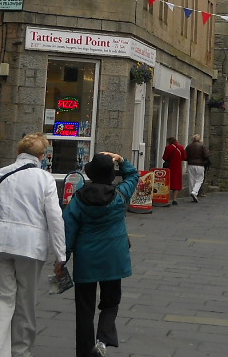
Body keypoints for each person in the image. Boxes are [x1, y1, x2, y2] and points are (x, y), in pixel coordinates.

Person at [0, 133, 66, 357]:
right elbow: (54, 217)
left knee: (0, 297)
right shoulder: (45, 179)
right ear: (42, 156)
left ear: (19, 152)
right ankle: (21, 351)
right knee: (25, 300)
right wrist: (60, 254)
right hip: (30, 246)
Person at [61, 151, 140, 357]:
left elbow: (68, 230)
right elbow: (134, 175)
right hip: (114, 258)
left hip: (86, 258)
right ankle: (102, 340)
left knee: (84, 308)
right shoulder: (120, 195)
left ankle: (85, 352)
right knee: (111, 302)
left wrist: (62, 258)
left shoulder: (78, 199)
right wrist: (121, 160)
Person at [184, 133, 210, 203]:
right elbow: (206, 155)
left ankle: (192, 193)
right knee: (199, 179)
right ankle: (195, 192)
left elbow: (185, 155)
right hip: (200, 164)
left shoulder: (189, 146)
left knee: (191, 179)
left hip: (190, 164)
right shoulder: (202, 146)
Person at [161, 136, 185, 204]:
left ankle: (167, 198)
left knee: (167, 182)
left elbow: (165, 157)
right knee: (176, 183)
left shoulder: (168, 147)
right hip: (178, 167)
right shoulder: (181, 147)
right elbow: (184, 157)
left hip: (170, 167)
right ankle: (174, 199)